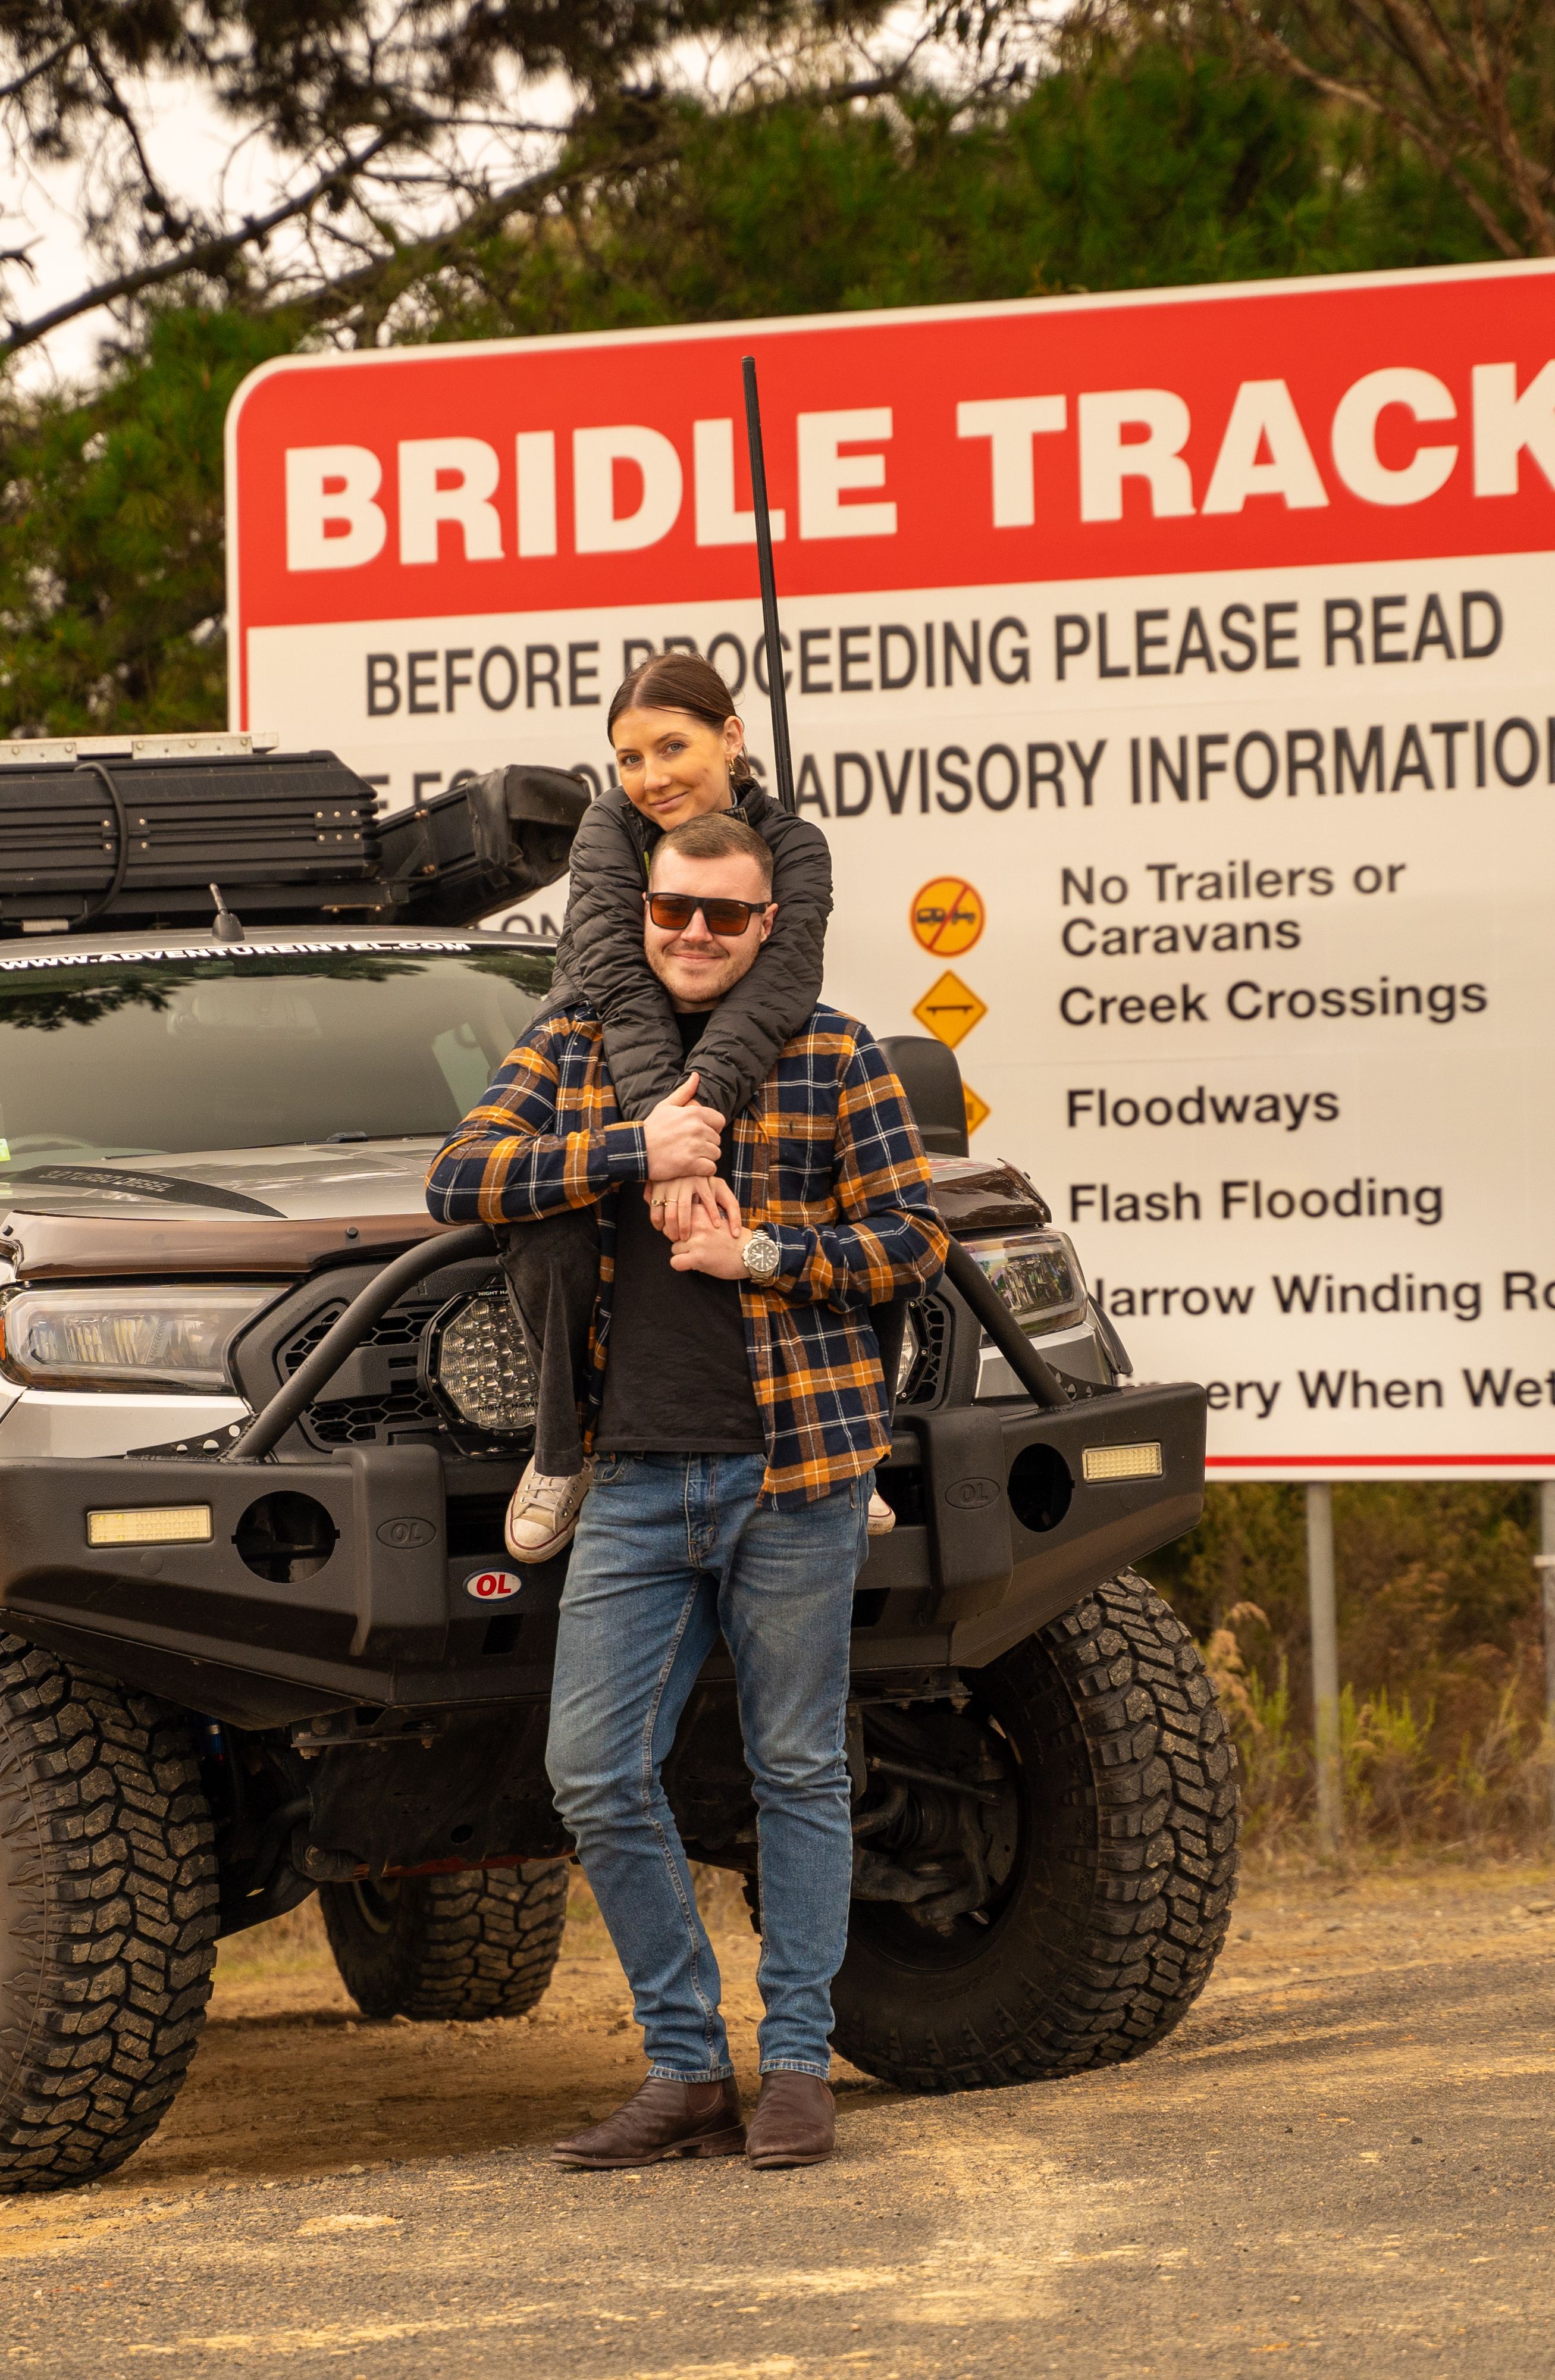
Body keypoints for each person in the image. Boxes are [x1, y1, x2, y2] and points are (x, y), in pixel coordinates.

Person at [429, 812, 946, 2172]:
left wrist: (767, 1254)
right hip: (638, 1478)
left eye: (726, 915)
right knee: (594, 1771)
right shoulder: (579, 1044)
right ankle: (682, 2066)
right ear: (642, 909)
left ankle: (793, 2066)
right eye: (673, 911)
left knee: (798, 1769)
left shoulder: (837, 1052)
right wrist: (626, 1153)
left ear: (768, 922)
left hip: (802, 1472)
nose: (696, 935)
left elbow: (915, 1240)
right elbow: (458, 1175)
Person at [494, 650, 845, 1563]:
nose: (650, 778)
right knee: (548, 1222)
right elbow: (613, 975)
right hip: (609, 1052)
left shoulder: (796, 847)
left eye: (671, 747)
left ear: (731, 738)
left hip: (737, 1071)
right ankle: (561, 1451)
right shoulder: (611, 824)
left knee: (837, 1202)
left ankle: (848, 1455)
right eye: (628, 757)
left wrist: (693, 1131)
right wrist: (661, 1142)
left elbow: (780, 989)